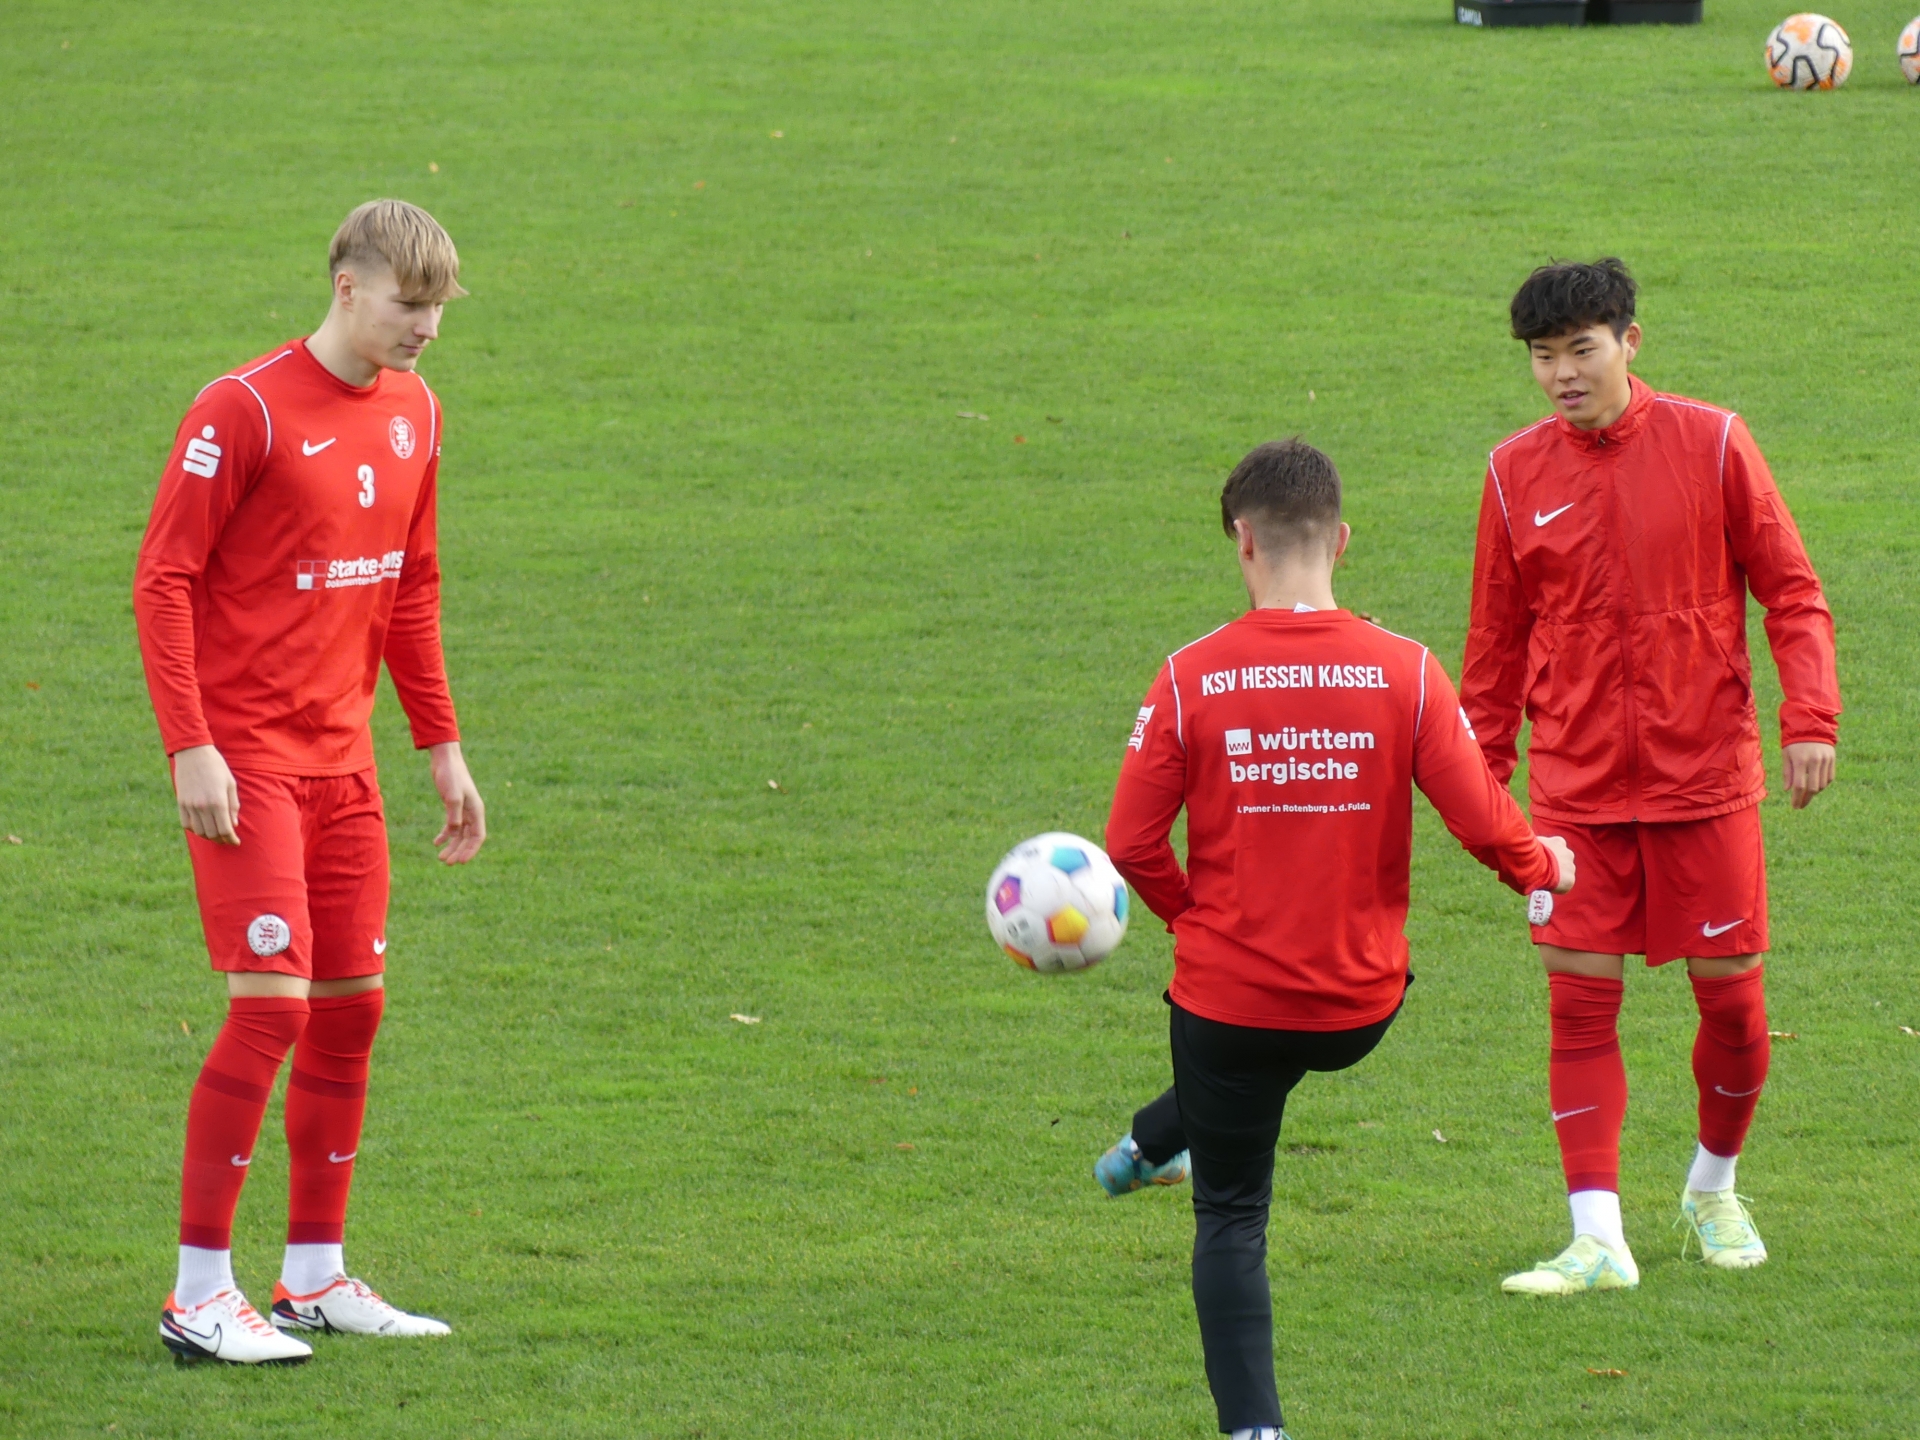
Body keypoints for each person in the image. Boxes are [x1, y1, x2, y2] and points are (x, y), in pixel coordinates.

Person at [1103, 439, 1574, 1440]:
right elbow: (1482, 819)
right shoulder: (1406, 671)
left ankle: (1255, 1429)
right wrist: (1545, 867)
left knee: (1232, 1210)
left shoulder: (1188, 677)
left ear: (1243, 542)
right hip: (1358, 1009)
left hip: (1230, 1005)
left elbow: (1131, 844)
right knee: (1255, 1072)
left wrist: (1195, 922)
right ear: (1343, 541)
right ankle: (1146, 1143)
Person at [134, 200, 485, 1364]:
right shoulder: (241, 410)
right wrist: (190, 743)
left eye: (438, 308)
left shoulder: (417, 411)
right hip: (247, 762)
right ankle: (198, 1294)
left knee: (350, 1010)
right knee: (271, 1010)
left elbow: (412, 581)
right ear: (346, 285)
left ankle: (314, 1279)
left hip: (345, 763)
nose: (426, 326)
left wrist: (439, 744)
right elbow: (165, 578)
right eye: (408, 303)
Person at [1462, 258, 1840, 1296]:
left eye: (1580, 350)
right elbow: (1494, 646)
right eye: (1543, 356)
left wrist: (1810, 718)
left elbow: (1793, 593)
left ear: (1630, 342)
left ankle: (1713, 1186)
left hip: (1703, 780)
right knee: (1579, 1008)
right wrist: (1481, 785)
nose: (1561, 374)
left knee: (1735, 1008)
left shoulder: (1713, 442)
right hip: (1574, 794)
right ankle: (1598, 1239)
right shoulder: (1512, 473)